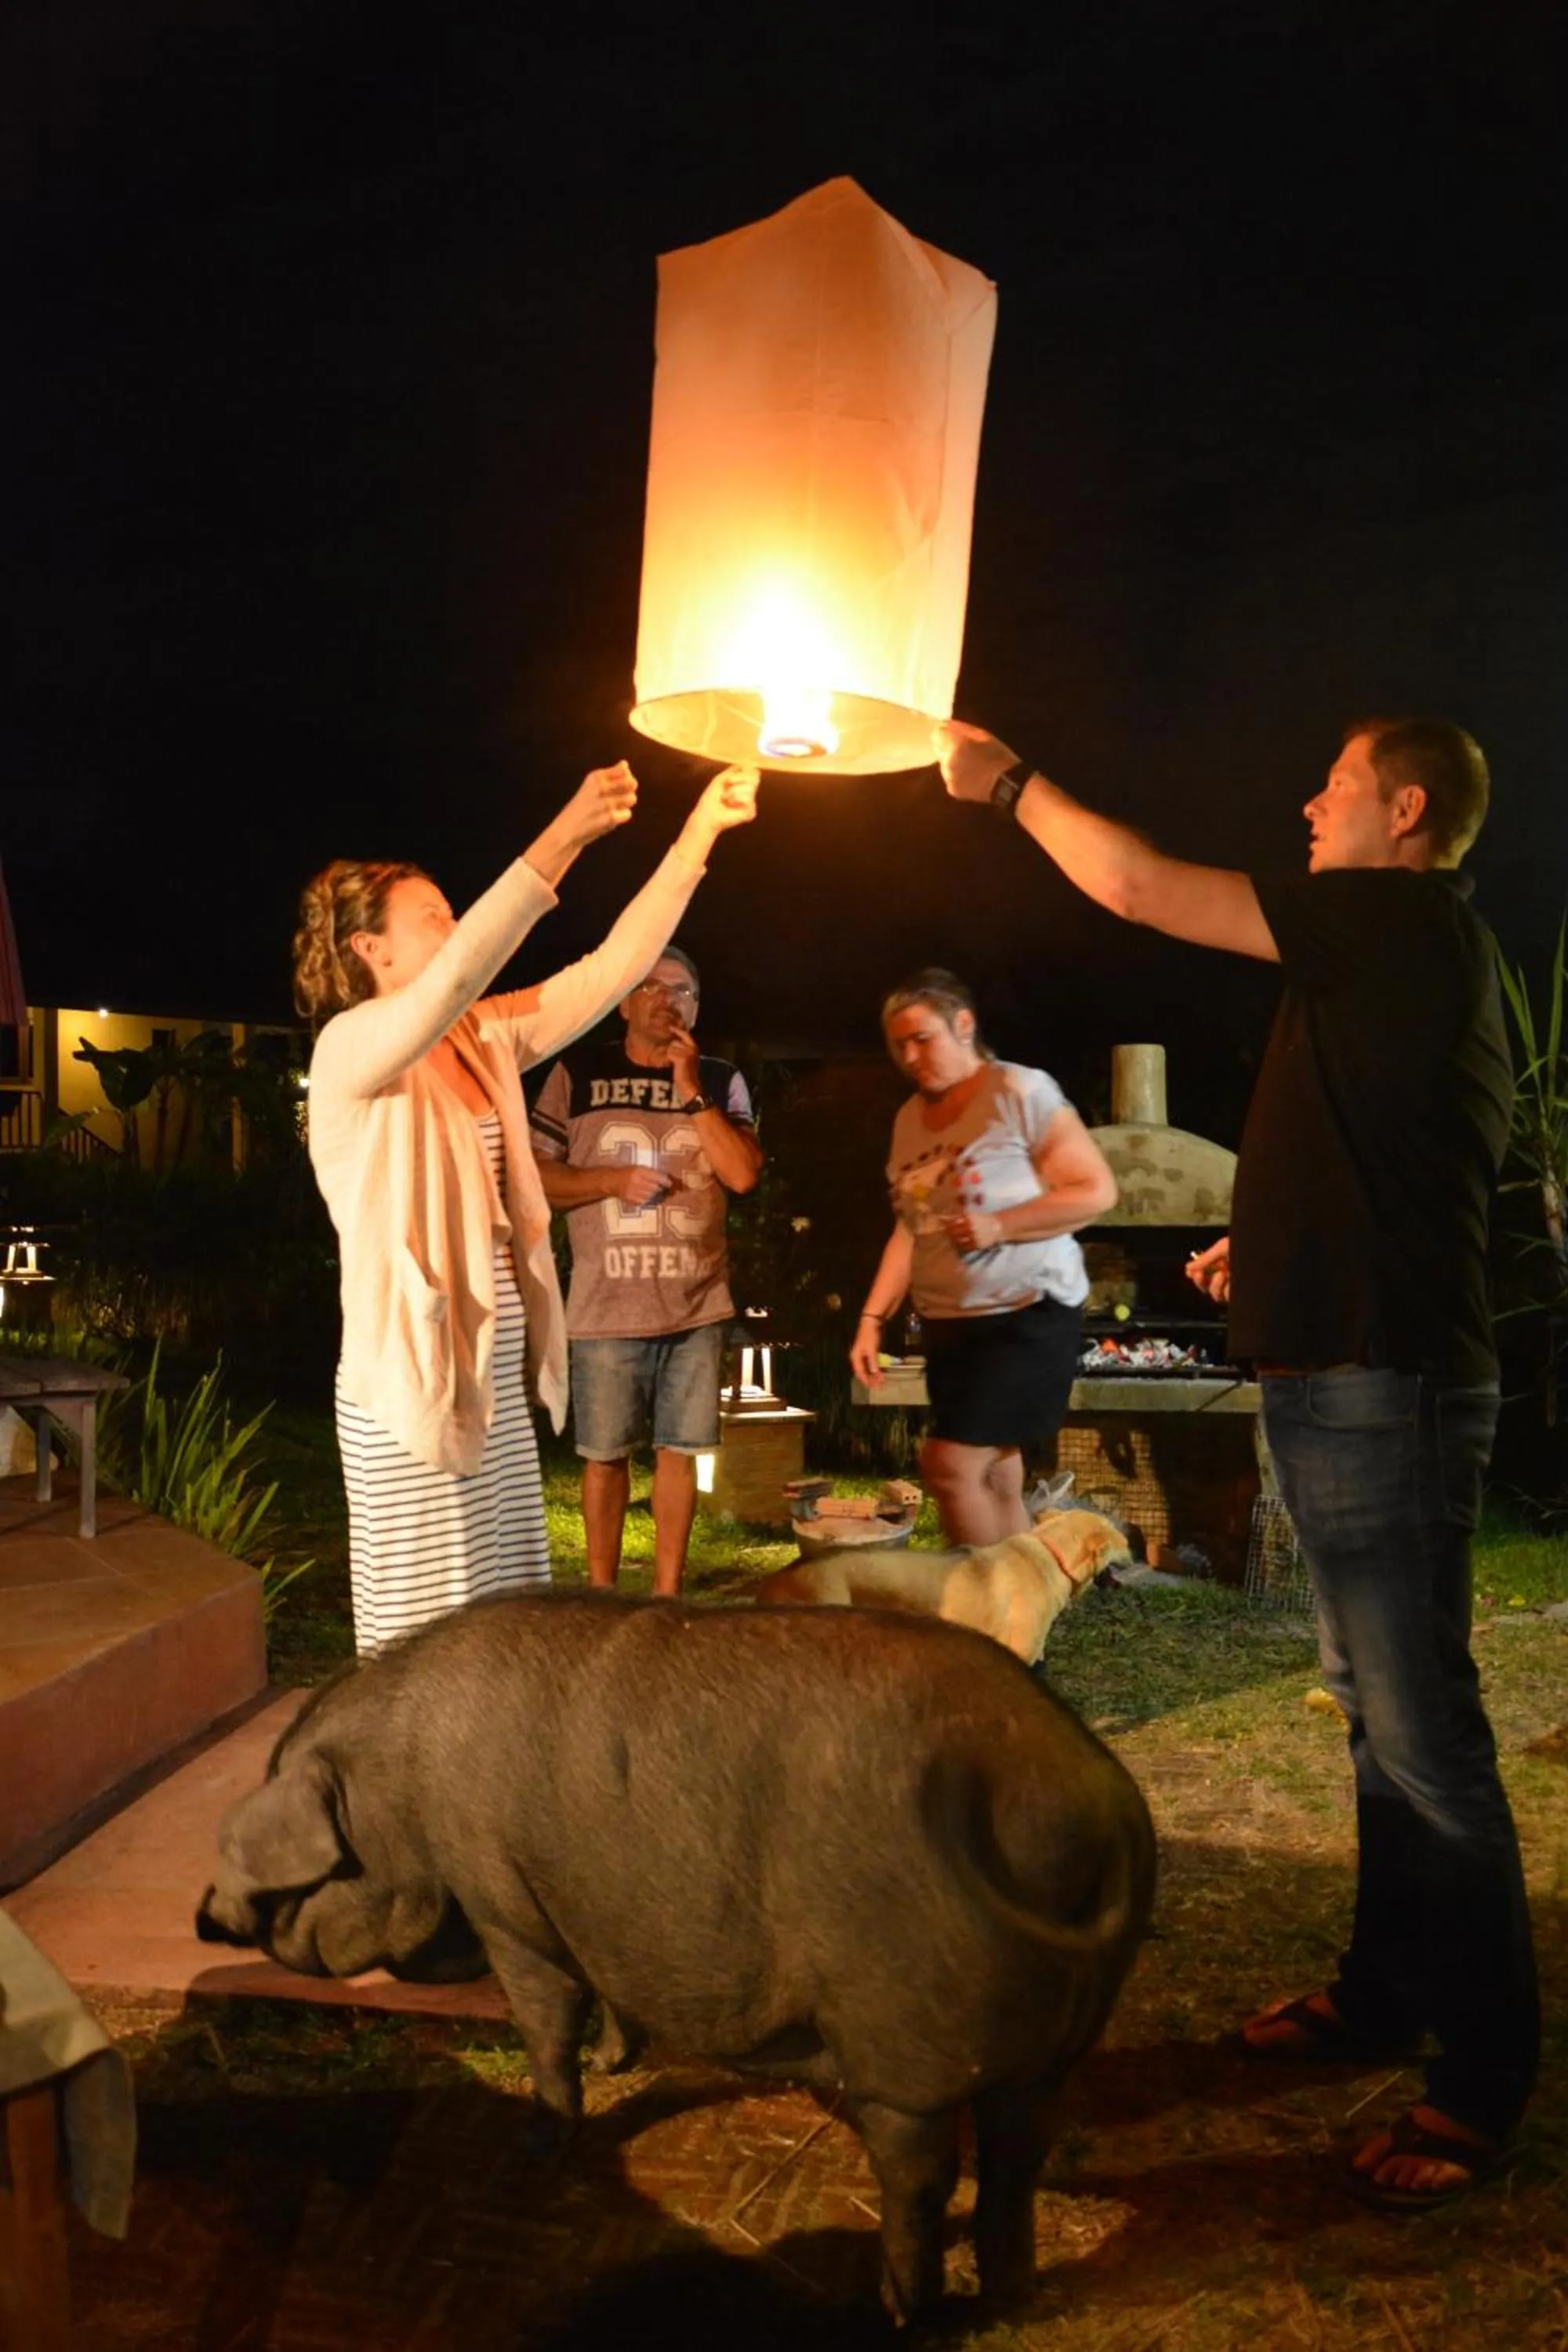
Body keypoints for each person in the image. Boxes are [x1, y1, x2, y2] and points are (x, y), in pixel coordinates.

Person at [936, 712, 1537, 2210]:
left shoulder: (1391, 913)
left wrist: (1007, 784)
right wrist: (1258, 1243)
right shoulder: (1423, 957)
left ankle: (1482, 2077)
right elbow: (1404, 1156)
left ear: (1404, 811)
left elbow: (1138, 885)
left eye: (1331, 784)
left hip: (1379, 1395)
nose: (1306, 802)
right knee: (1377, 1729)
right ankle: (1381, 1996)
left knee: (1427, 1743)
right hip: (1363, 1380)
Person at [292, 760, 759, 1655]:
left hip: (492, 1387)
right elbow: (460, 975)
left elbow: (613, 967)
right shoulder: (352, 1048)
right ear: (368, 948)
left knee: (501, 1637)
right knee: (424, 1651)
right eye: (432, 917)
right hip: (410, 1396)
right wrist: (566, 835)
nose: (454, 925)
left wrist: (699, 833)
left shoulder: (482, 1038)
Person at [849, 969, 1118, 1546]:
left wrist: (1000, 1224)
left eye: (924, 1038)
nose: (912, 1055)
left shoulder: (1018, 1091)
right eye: (900, 1045)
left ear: (963, 1024)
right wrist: (873, 1318)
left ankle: (980, 1618)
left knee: (950, 1466)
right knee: (995, 1474)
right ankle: (1021, 1624)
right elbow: (910, 1229)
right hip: (952, 1325)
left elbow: (1095, 1190)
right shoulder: (909, 1121)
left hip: (1027, 1312)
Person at [531, 945, 764, 1595]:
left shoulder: (720, 1079)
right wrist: (610, 1180)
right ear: (625, 1001)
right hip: (606, 1304)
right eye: (653, 987)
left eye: (684, 990)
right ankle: (602, 1594)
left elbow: (742, 1174)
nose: (669, 1000)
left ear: (698, 1006)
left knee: (679, 1452)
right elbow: (536, 1177)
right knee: (604, 1457)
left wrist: (691, 1093)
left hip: (696, 1304)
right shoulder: (576, 1071)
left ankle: (665, 1597)